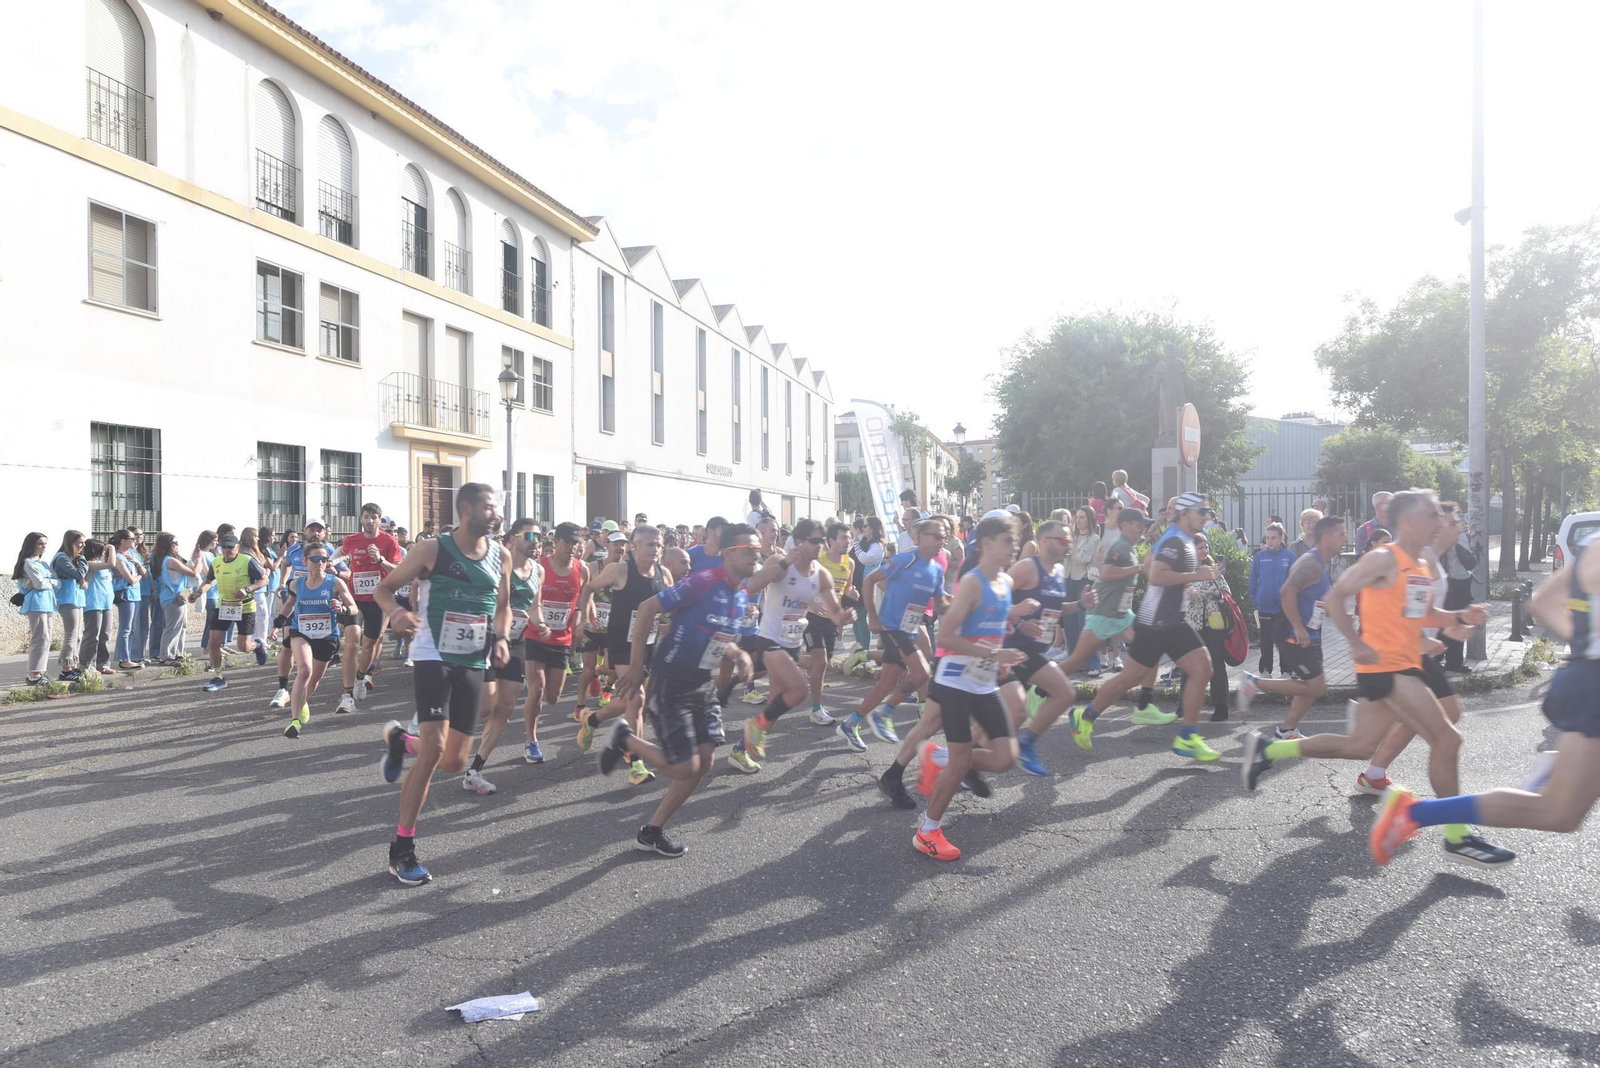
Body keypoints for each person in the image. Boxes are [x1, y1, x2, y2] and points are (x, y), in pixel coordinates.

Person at [1239, 489, 1513, 868]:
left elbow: (1421, 614)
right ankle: (1457, 835)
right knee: (1447, 738)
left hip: (1401, 665)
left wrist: (1460, 617)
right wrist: (1354, 642)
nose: (1439, 521)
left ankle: (1270, 749)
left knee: (1359, 746)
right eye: (1432, 514)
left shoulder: (1416, 564)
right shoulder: (1384, 557)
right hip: (1387, 667)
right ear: (1407, 521)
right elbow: (1337, 599)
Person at [1365, 530, 1600, 863]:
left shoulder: (1593, 543)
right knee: (1555, 812)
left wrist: (1588, 645)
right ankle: (1414, 814)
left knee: (1562, 816)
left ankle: (1557, 767)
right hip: (1593, 686)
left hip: (1586, 676)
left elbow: (1544, 602)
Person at [374, 483, 512, 886]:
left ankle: (400, 741)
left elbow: (502, 608)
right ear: (466, 509)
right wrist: (395, 614)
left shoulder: (500, 556)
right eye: (489, 508)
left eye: (498, 509)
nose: (497, 515)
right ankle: (402, 848)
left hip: (473, 659)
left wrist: (501, 639)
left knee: (453, 762)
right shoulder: (433, 550)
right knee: (434, 748)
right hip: (433, 655)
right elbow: (385, 589)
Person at [601, 523, 764, 858]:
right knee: (683, 768)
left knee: (704, 762)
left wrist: (740, 654)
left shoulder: (740, 594)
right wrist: (635, 666)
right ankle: (624, 738)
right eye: (749, 550)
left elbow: (722, 640)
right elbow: (647, 609)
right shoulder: (703, 582)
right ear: (730, 553)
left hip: (701, 683)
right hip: (671, 679)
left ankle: (651, 831)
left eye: (757, 550)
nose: (755, 555)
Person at [1067, 493, 1223, 762]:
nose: (1206, 516)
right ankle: (1085, 716)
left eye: (1207, 511)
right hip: (1155, 624)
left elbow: (1153, 566)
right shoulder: (1174, 540)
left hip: (1173, 620)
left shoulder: (1182, 539)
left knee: (1203, 668)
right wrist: (1196, 576)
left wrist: (1185, 588)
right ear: (1185, 514)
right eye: (1201, 511)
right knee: (1129, 679)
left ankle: (1187, 736)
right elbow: (1156, 575)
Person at [912, 515, 1030, 860]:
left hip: (983, 681)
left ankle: (940, 759)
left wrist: (1005, 654)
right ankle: (928, 832)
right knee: (964, 760)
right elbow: (946, 637)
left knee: (1006, 758)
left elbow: (991, 628)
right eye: (1008, 540)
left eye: (1015, 540)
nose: (1014, 546)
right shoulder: (973, 582)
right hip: (953, 680)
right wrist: (995, 652)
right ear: (987, 544)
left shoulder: (1005, 582)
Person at [725, 518, 854, 773]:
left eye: (821, 540)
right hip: (769, 638)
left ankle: (739, 750)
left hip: (792, 643)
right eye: (814, 541)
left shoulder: (821, 574)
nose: (819, 546)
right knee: (798, 690)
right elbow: (750, 586)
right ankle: (752, 727)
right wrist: (785, 562)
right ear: (800, 541)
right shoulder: (780, 562)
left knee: (774, 705)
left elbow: (834, 612)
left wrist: (845, 617)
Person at [574, 524, 668, 785]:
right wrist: (587, 615)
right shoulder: (621, 570)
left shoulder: (663, 574)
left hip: (648, 645)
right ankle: (634, 761)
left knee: (637, 701)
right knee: (636, 699)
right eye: (650, 544)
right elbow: (588, 589)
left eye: (659, 545)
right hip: (622, 643)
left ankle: (593, 719)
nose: (656, 549)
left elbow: (672, 607)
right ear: (634, 546)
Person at [1239, 515, 1347, 740]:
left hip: (1311, 634)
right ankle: (1254, 682)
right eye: (1341, 534)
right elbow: (1287, 592)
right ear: (1326, 538)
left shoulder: (1323, 562)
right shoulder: (1311, 562)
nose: (1345, 539)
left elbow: (1320, 598)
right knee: (1316, 687)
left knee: (1310, 686)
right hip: (1294, 634)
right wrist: (1298, 628)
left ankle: (1287, 730)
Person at [463, 518, 548, 796]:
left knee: (506, 705)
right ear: (512, 538)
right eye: (530, 535)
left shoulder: (538, 569)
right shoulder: (497, 562)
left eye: (539, 536)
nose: (536, 540)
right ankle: (432, 716)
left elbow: (534, 606)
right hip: (487, 637)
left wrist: (542, 622)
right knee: (484, 707)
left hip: (518, 640)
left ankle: (475, 769)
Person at [1006, 520, 1095, 777]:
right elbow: (994, 599)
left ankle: (1026, 744)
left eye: (1070, 540)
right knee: (1002, 720)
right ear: (1045, 542)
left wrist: (1080, 604)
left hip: (1032, 653)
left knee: (1065, 693)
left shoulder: (1057, 571)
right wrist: (1019, 621)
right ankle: (951, 759)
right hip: (1008, 650)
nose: (1070, 545)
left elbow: (1056, 609)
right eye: (1064, 540)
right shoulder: (1025, 568)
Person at [273, 545, 357, 738]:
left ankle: (301, 702)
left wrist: (342, 608)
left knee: (314, 680)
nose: (320, 563)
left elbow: (354, 608)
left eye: (324, 559)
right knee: (304, 670)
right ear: (305, 561)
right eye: (315, 559)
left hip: (326, 636)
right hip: (300, 632)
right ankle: (294, 722)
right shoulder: (295, 584)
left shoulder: (335, 583)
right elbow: (289, 604)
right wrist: (278, 622)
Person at [522, 521, 588, 763]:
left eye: (576, 543)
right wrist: (538, 621)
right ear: (556, 542)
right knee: (536, 690)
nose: (572, 547)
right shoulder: (539, 567)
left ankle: (532, 727)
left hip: (562, 640)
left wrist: (580, 622)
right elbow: (528, 600)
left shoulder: (582, 569)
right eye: (567, 542)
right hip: (535, 635)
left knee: (552, 697)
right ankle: (531, 740)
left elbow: (581, 604)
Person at [336, 504, 404, 709]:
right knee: (352, 642)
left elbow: (397, 570)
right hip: (355, 598)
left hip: (378, 599)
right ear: (361, 519)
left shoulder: (389, 541)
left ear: (379, 520)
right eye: (366, 517)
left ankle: (360, 676)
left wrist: (381, 559)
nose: (369, 521)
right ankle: (347, 694)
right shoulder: (352, 539)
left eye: (374, 517)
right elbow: (339, 552)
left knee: (369, 645)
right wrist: (330, 563)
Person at [802, 521, 859, 725]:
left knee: (820, 663)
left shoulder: (850, 563)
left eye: (850, 537)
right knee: (822, 661)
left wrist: (852, 592)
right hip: (811, 617)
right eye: (844, 538)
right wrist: (810, 601)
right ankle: (816, 710)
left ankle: (790, 657)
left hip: (831, 621)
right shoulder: (819, 559)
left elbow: (848, 587)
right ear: (832, 541)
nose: (848, 541)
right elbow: (802, 583)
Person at [198, 532, 266, 692]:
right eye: (224, 547)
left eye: (230, 547)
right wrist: (199, 592)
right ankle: (218, 677)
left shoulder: (247, 561)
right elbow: (208, 581)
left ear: (238, 547)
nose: (227, 550)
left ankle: (257, 645)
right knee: (213, 642)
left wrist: (248, 588)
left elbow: (264, 579)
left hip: (245, 606)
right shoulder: (217, 562)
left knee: (243, 646)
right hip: (224, 606)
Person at [574, 531, 626, 719]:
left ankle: (604, 683)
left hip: (614, 628)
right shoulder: (594, 567)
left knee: (611, 667)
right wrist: (586, 618)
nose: (620, 548)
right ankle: (580, 705)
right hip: (592, 625)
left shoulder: (626, 569)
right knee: (587, 668)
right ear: (607, 546)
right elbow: (585, 594)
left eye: (623, 544)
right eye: (616, 544)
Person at [1184, 532, 1235, 722]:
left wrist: (1217, 595)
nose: (1204, 551)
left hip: (1214, 625)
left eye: (1206, 547)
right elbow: (1186, 594)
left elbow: (1226, 592)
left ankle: (1221, 706)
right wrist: (1207, 591)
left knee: (1216, 665)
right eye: (1200, 548)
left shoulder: (1213, 570)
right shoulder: (1185, 570)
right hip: (1192, 625)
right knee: (1189, 666)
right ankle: (1185, 705)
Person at [1249, 522, 1296, 678]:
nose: (1270, 541)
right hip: (1265, 607)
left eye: (1273, 538)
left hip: (1284, 608)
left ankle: (1286, 671)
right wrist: (1257, 598)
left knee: (1284, 641)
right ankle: (1265, 670)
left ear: (1281, 538)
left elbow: (1295, 580)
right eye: (1267, 538)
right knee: (1266, 641)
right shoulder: (1259, 557)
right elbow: (1252, 580)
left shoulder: (1289, 557)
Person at [14, 532, 58, 685]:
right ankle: (34, 674)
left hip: (48, 602)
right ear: (31, 544)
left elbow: (57, 582)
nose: (44, 547)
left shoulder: (43, 564)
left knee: (46, 638)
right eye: (40, 543)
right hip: (36, 603)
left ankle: (39, 672)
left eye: (45, 543)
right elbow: (39, 584)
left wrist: (46, 581)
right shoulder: (28, 563)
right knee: (40, 638)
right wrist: (47, 581)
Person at [1063, 507, 1102, 677]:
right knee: (1070, 625)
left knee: (1084, 625)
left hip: (1084, 582)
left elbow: (1081, 559)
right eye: (1077, 517)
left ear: (1090, 520)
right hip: (1068, 580)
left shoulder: (1094, 539)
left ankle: (1093, 664)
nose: (1078, 521)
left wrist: (1070, 543)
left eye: (1082, 518)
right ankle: (1074, 662)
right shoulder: (1070, 536)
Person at [1438, 504, 1476, 673]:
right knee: (1448, 621)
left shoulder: (1459, 536)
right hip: (1450, 583)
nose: (1458, 523)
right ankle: (1443, 659)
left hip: (1460, 582)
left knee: (1458, 621)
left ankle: (1452, 661)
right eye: (1453, 521)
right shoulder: (1440, 538)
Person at [155, 532, 202, 663]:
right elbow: (193, 573)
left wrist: (193, 558)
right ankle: (166, 656)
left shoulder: (168, 559)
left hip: (177, 596)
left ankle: (177, 653)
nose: (177, 545)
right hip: (172, 597)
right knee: (173, 627)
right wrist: (199, 560)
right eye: (174, 543)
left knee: (181, 626)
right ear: (168, 545)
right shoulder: (170, 560)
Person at [109, 530, 145, 670]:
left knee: (132, 629)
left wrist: (138, 573)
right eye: (131, 538)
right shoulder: (118, 558)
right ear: (123, 541)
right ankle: (124, 659)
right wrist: (139, 577)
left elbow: (142, 572)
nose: (135, 540)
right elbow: (130, 579)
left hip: (134, 594)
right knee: (126, 628)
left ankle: (127, 657)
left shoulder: (129, 556)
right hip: (126, 594)